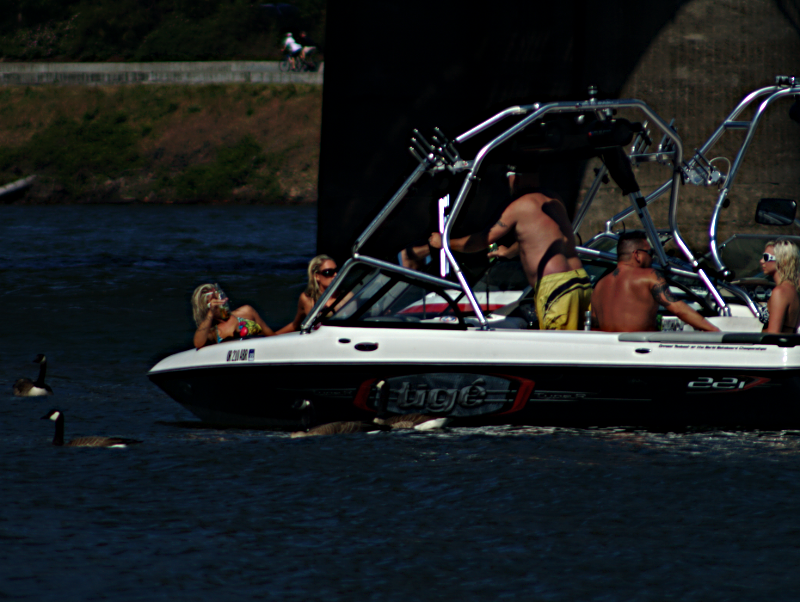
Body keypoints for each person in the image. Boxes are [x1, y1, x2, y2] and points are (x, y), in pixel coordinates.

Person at [428, 169, 591, 330]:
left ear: (516, 178)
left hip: (556, 288)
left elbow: (482, 240)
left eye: (508, 178)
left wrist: (444, 242)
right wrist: (508, 252)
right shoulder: (552, 198)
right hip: (580, 281)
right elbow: (537, 238)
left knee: (558, 351)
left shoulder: (517, 205)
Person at [590, 231, 719, 332]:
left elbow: (595, 328)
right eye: (650, 252)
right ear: (637, 255)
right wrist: (714, 330)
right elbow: (678, 308)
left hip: (611, 355)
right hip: (639, 351)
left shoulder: (599, 286)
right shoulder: (649, 276)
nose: (652, 258)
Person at [192, 283, 274, 349]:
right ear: (208, 307)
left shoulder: (246, 312)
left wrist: (287, 328)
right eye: (218, 299)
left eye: (222, 295)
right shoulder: (214, 333)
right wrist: (210, 313)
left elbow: (272, 337)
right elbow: (198, 343)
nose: (226, 299)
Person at [276, 255, 339, 334]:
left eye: (337, 271)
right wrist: (273, 335)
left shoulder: (346, 297)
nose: (335, 275)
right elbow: (296, 325)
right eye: (328, 272)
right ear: (317, 276)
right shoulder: (307, 299)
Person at [760, 239, 800, 334]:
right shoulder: (794, 289)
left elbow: (773, 335)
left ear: (783, 261)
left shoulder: (780, 292)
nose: (761, 261)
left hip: (770, 348)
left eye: (766, 257)